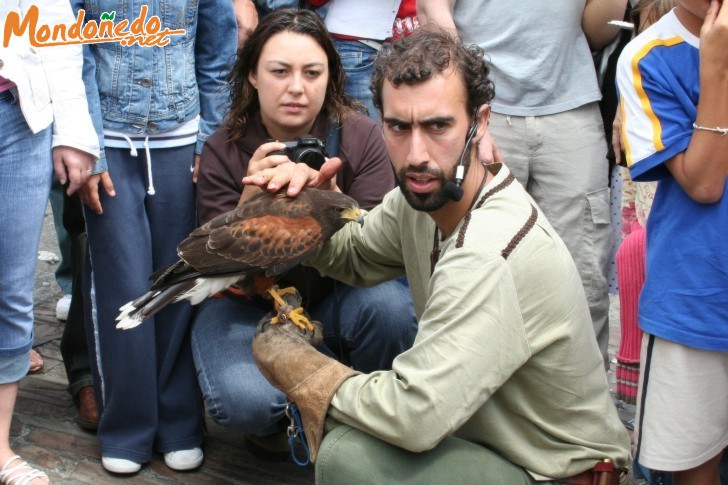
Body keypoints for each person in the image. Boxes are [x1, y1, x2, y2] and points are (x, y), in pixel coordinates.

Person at [246, 25, 632, 482]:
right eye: (398, 126)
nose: (416, 154)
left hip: (552, 471)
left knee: (348, 455)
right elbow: (354, 255)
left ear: (480, 122)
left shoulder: (487, 252)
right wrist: (313, 209)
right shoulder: (424, 199)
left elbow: (414, 415)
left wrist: (309, 374)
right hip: (486, 442)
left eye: (438, 126)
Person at [192, 8, 417, 459]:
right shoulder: (222, 149)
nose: (297, 87)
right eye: (280, 71)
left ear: (331, 76)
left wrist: (329, 207)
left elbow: (381, 255)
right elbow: (215, 273)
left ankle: (360, 410)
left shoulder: (360, 135)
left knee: (393, 309)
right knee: (246, 402)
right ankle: (285, 421)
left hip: (343, 297)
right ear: (253, 76)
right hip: (249, 307)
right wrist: (248, 213)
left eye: (312, 72)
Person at [72, 0, 237, 474]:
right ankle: (127, 427)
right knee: (122, 285)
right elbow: (74, 52)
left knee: (179, 281)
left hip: (181, 142)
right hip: (110, 145)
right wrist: (88, 145)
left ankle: (180, 424)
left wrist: (211, 139)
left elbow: (217, 48)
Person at [417, 0, 629, 368]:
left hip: (571, 106)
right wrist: (468, 106)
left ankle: (582, 409)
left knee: (585, 274)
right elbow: (431, 8)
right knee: (472, 275)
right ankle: (467, 408)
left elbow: (599, 30)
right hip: (481, 107)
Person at [616, 0, 728, 482]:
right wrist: (717, 67)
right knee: (690, 466)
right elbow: (704, 184)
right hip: (696, 299)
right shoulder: (646, 57)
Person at [1, 1, 99, 483]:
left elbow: (54, 20)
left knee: (11, 289)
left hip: (18, 114)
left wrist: (74, 131)